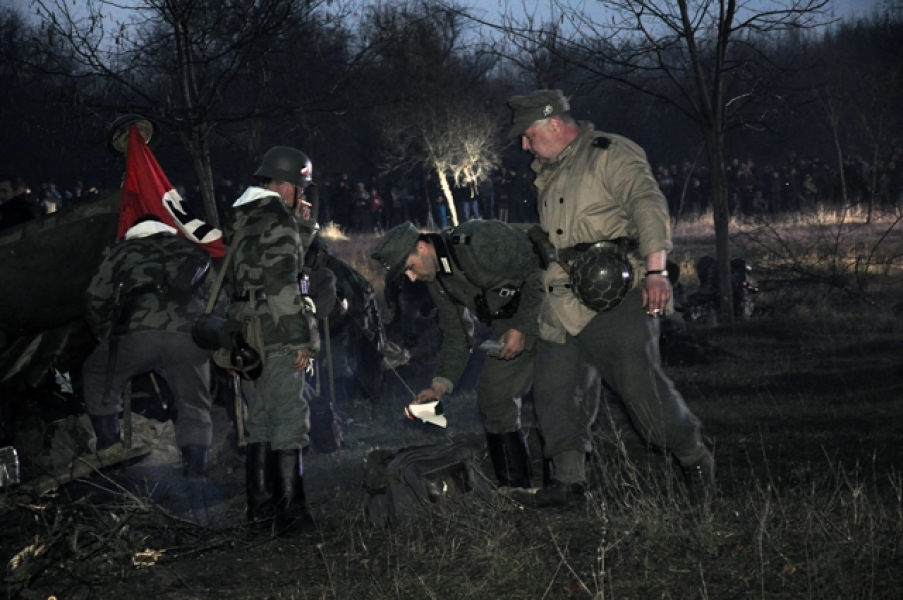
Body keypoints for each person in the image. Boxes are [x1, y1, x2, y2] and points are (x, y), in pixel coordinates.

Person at [505, 89, 715, 508]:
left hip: (615, 295)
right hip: (562, 299)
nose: (524, 146)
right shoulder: (547, 170)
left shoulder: (609, 152)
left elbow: (647, 204)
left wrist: (656, 271)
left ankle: (695, 459)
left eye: (528, 136)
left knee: (645, 399)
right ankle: (569, 485)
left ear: (553, 124)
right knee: (554, 394)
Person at [371, 219, 543, 489]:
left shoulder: (480, 241)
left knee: (555, 399)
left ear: (423, 247)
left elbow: (540, 272)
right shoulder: (438, 280)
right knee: (494, 396)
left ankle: (567, 487)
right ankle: (517, 490)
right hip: (509, 327)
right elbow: (457, 334)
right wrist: (439, 386)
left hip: (552, 310)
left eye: (410, 268)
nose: (412, 278)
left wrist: (523, 327)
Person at [224, 146, 320, 535]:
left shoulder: (243, 215)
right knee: (289, 421)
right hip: (276, 331)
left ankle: (261, 515)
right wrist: (300, 339)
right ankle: (293, 517)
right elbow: (283, 282)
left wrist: (300, 226)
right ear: (289, 186)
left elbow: (262, 267)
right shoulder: (276, 220)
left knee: (260, 422)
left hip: (245, 332)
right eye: (300, 186)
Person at [82, 215, 217, 481]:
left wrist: (106, 336)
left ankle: (111, 457)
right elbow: (218, 298)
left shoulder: (119, 252)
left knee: (97, 375)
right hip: (188, 336)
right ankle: (196, 478)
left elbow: (95, 299)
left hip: (135, 335)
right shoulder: (192, 251)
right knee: (194, 404)